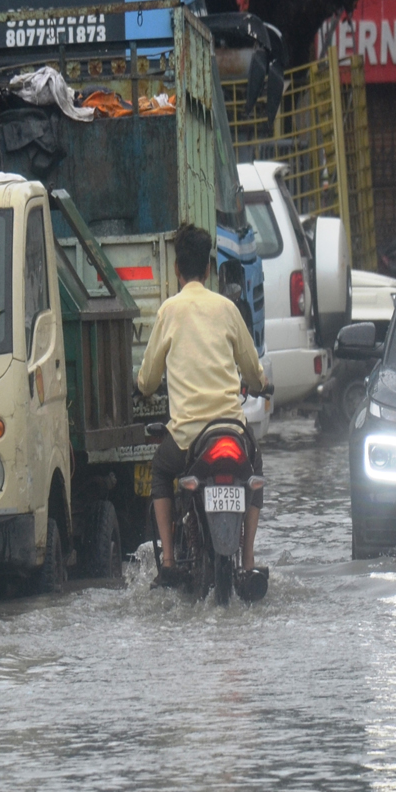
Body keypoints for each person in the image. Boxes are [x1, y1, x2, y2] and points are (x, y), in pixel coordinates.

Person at [137, 224, 271, 582]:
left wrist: (142, 387)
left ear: (177, 270)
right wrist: (261, 385)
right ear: (209, 269)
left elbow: (147, 381)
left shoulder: (169, 311)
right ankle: (247, 560)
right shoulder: (227, 309)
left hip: (187, 441)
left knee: (162, 473)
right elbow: (254, 372)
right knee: (255, 468)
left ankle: (167, 562)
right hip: (231, 431)